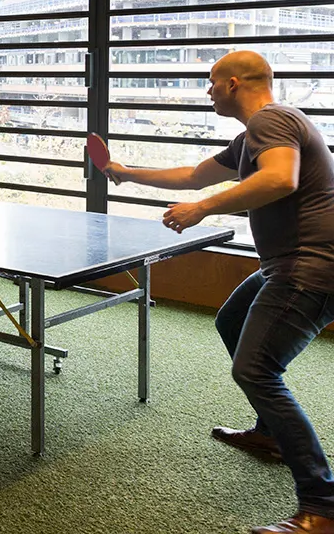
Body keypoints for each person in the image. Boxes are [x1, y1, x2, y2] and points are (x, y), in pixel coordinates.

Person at [103, 51, 334, 534]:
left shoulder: (272, 120)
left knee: (255, 369)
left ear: (232, 83)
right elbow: (192, 175)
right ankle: (271, 434)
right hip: (286, 265)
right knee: (231, 320)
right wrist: (126, 173)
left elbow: (280, 178)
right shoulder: (251, 136)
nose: (206, 91)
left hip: (312, 267)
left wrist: (203, 208)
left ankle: (323, 507)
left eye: (210, 82)